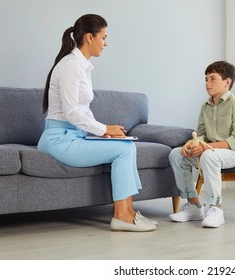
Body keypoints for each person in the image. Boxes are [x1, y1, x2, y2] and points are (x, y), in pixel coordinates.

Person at [37, 14, 156, 232]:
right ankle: (121, 216)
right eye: (104, 37)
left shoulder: (82, 66)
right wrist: (103, 129)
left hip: (73, 136)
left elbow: (83, 111)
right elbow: (72, 112)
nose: (106, 43)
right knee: (123, 150)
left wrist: (103, 132)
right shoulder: (71, 66)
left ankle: (128, 212)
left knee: (126, 145)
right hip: (59, 140)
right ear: (90, 37)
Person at [168, 61, 235, 228]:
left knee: (208, 155)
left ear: (227, 82)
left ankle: (216, 208)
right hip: (213, 153)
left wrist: (208, 147)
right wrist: (192, 143)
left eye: (212, 79)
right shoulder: (205, 106)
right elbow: (201, 135)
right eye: (206, 79)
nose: (207, 83)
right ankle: (194, 205)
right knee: (177, 154)